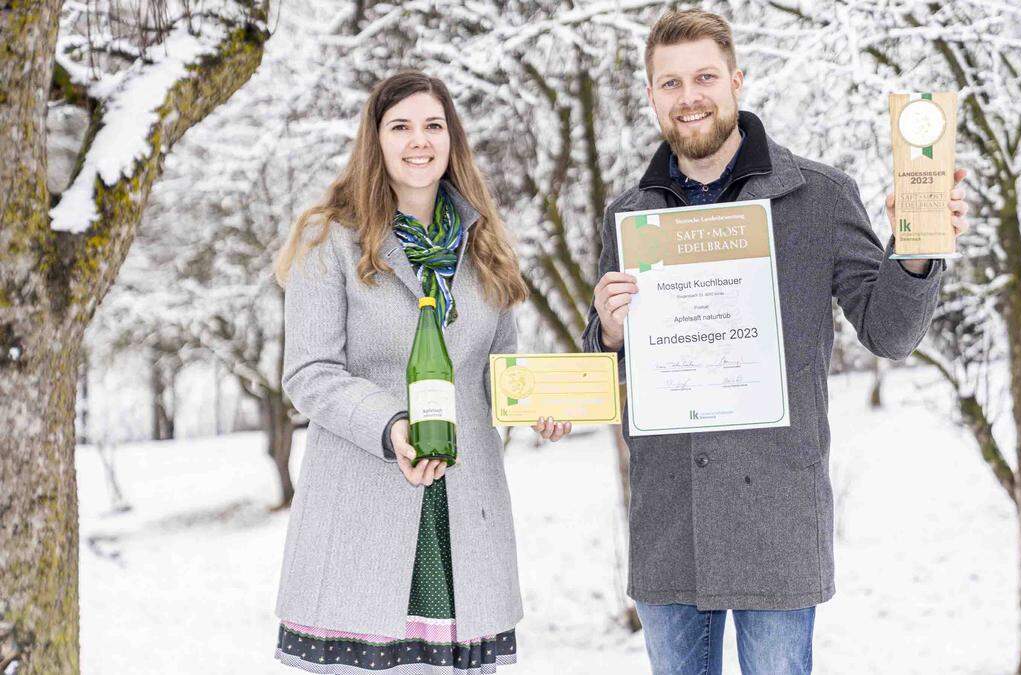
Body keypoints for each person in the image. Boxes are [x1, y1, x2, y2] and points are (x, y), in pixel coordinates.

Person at [582, 10, 970, 674]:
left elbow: (890, 332)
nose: (690, 96)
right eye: (670, 83)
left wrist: (914, 253)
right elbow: (606, 371)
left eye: (705, 76)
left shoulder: (818, 197)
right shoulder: (628, 216)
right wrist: (608, 331)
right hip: (671, 529)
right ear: (651, 97)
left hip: (776, 524)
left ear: (737, 80)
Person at [272, 69, 570, 675]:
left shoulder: (484, 244)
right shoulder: (328, 238)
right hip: (364, 500)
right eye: (400, 126)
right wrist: (391, 427)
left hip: (465, 509)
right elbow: (310, 371)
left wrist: (538, 399)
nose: (419, 141)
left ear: (451, 140)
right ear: (375, 140)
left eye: (433, 125)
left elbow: (495, 369)